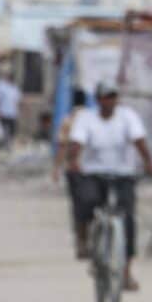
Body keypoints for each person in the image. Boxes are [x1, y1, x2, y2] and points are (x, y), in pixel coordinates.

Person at [67, 82, 152, 290]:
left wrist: (148, 163)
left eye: (113, 97)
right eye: (106, 97)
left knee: (128, 219)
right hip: (93, 173)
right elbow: (76, 144)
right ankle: (84, 239)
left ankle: (126, 272)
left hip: (123, 174)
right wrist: (74, 160)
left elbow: (139, 140)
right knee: (85, 201)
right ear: (98, 100)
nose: (110, 101)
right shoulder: (86, 118)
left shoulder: (128, 116)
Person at [54, 88, 91, 257]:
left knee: (78, 208)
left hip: (74, 169)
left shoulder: (68, 120)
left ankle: (81, 241)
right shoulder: (93, 118)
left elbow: (62, 146)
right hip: (93, 169)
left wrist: (56, 168)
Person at [0, 72, 20, 148]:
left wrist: (18, 111)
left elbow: (16, 101)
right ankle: (3, 144)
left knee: (12, 130)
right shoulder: (1, 87)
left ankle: (8, 144)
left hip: (12, 113)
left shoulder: (15, 88)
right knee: (3, 129)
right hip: (3, 111)